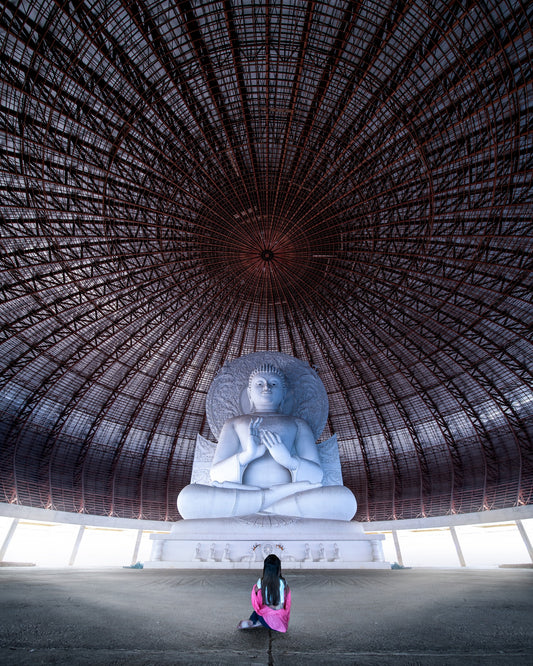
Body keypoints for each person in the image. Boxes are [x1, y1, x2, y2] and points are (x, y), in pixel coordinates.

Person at [177, 364, 356, 520]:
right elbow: (216, 475)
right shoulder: (233, 424)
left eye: (273, 384)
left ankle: (262, 503)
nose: (266, 388)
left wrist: (288, 461)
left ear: (284, 393)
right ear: (249, 393)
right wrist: (246, 456)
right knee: (188, 497)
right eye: (259, 383)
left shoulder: (298, 424)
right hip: (248, 495)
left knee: (344, 499)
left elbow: (317, 476)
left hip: (285, 495)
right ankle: (269, 502)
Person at [237, 554, 291, 632]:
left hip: (264, 617)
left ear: (265, 570)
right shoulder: (282, 583)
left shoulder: (262, 582)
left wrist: (259, 590)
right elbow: (281, 605)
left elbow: (255, 591)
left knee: (257, 611)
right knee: (272, 610)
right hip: (279, 621)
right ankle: (260, 622)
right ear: (279, 570)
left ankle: (253, 621)